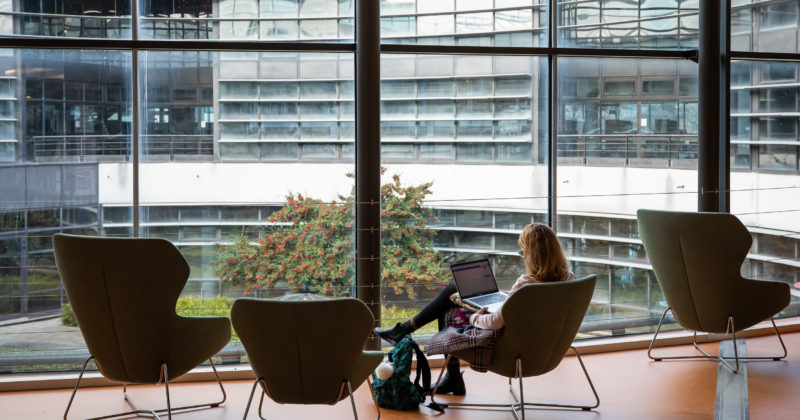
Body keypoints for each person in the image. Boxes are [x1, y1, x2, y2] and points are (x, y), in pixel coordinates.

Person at [374, 222, 575, 395]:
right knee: (453, 292)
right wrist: (509, 300)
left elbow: (495, 323)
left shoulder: (526, 284)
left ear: (532, 254)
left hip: (511, 348)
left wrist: (474, 318)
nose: (522, 256)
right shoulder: (569, 279)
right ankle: (405, 331)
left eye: (523, 251)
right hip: (547, 348)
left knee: (448, 310)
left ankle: (447, 372)